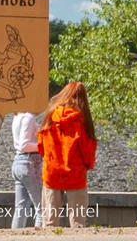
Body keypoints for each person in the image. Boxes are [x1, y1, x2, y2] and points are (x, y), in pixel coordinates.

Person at [38, 82, 98, 228]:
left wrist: (50, 161)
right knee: (78, 223)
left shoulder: (51, 116)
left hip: (52, 174)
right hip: (75, 175)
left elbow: (41, 144)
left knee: (50, 222)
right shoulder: (81, 121)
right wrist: (88, 165)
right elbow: (87, 149)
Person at [10, 111, 42, 228]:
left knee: (20, 209)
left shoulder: (17, 116)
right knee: (42, 209)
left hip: (18, 162)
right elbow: (24, 146)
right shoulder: (28, 117)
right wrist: (44, 145)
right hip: (29, 163)